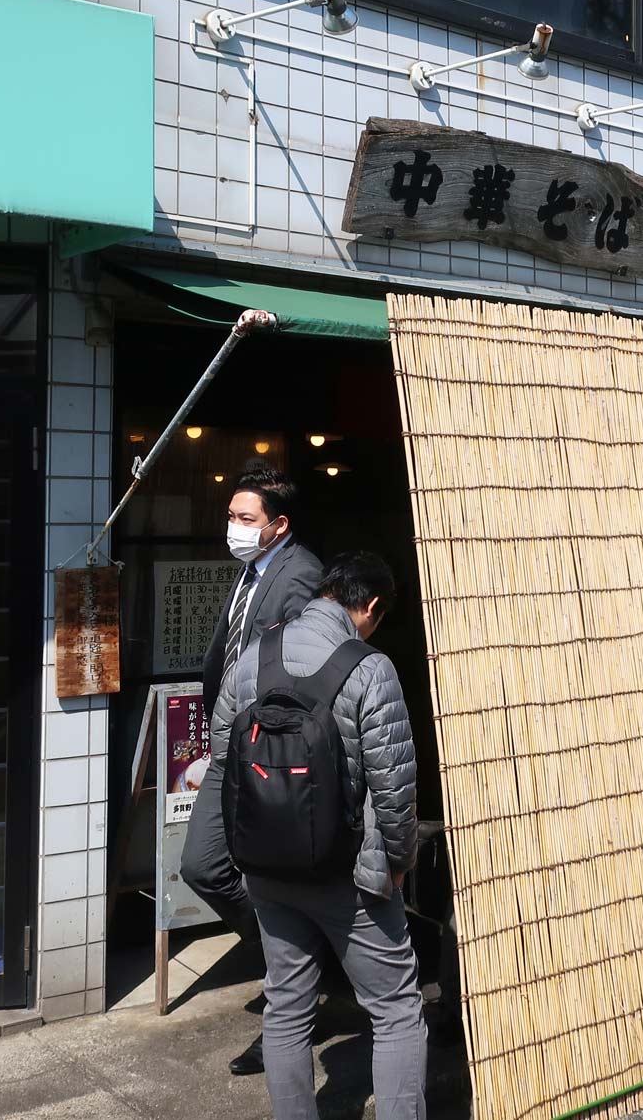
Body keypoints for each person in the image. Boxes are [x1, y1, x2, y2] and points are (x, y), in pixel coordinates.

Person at [213, 552, 426, 1120]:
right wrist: (396, 865)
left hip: (267, 871)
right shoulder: (370, 668)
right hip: (347, 875)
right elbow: (394, 786)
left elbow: (223, 756)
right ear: (372, 606)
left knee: (286, 1007)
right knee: (396, 1010)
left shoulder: (256, 657)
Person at [181, 467, 323, 1075]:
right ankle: (293, 963)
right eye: (231, 516)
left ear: (278, 525)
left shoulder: (300, 573)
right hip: (230, 743)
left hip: (266, 750)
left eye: (246, 519)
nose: (234, 528)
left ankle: (293, 993)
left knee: (267, 876)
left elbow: (295, 667)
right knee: (203, 865)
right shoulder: (252, 570)